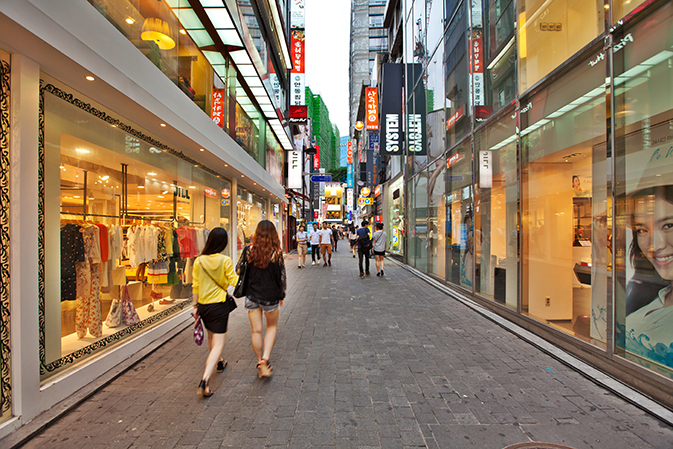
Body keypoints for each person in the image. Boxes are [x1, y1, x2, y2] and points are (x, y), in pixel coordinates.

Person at [192, 227, 238, 397]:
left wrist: (195, 306)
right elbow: (234, 281)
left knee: (211, 337)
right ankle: (204, 380)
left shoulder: (199, 261)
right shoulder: (225, 260)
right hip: (219, 305)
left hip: (203, 306)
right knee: (218, 343)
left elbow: (195, 285)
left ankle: (219, 362)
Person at [237, 220, 286, 378]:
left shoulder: (248, 250)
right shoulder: (276, 252)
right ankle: (265, 359)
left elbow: (239, 270)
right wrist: (281, 294)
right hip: (270, 296)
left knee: (256, 330)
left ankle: (259, 361)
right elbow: (281, 277)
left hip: (251, 295)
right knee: (271, 327)